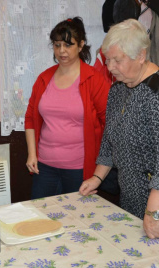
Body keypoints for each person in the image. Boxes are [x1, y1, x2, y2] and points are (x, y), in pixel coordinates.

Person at [79, 19, 159, 239]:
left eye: (117, 60)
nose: (110, 67)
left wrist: (154, 212)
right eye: (107, 60)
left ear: (141, 56)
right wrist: (97, 177)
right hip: (133, 195)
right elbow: (109, 139)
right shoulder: (118, 90)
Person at [25, 17, 110, 199]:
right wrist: (32, 154)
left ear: (81, 45)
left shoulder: (94, 79)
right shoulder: (43, 78)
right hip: (45, 167)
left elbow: (109, 124)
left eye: (68, 45)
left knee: (77, 223)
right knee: (41, 219)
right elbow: (30, 119)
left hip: (79, 169)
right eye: (57, 45)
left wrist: (99, 170)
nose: (61, 51)